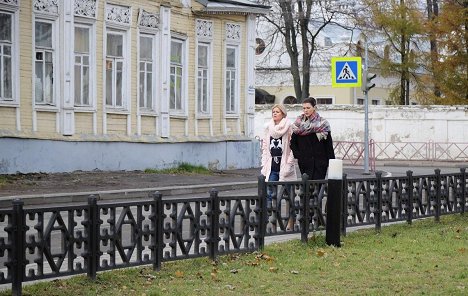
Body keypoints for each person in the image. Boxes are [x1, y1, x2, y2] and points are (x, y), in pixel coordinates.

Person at [261, 104, 296, 229]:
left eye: (277, 112)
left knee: (289, 196)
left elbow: (293, 148)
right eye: (273, 112)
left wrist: (289, 164)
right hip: (272, 166)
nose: (274, 114)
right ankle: (266, 221)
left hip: (285, 166)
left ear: (283, 114)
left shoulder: (289, 127)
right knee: (269, 194)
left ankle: (291, 222)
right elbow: (265, 147)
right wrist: (264, 163)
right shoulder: (268, 128)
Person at [290, 97, 335, 180]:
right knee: (307, 189)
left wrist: (331, 161)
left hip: (320, 162)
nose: (306, 110)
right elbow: (293, 143)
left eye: (308, 108)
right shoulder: (298, 124)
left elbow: (328, 144)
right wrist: (299, 156)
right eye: (304, 108)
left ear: (314, 108)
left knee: (318, 188)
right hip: (305, 162)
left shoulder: (323, 123)